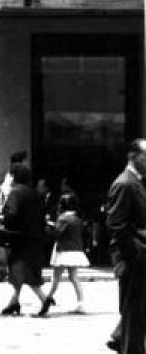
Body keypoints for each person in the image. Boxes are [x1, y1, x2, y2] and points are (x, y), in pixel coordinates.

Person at [105, 139, 146, 354]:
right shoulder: (125, 184)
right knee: (134, 313)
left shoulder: (137, 182)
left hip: (137, 256)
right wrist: (135, 254)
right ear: (133, 156)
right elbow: (116, 225)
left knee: (136, 310)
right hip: (133, 258)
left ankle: (121, 337)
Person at [0, 162, 51, 317]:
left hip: (19, 239)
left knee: (20, 271)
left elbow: (12, 215)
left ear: (14, 177)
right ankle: (13, 303)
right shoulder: (33, 193)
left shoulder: (15, 193)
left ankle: (44, 298)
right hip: (34, 239)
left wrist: (2, 218)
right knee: (23, 272)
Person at [44, 192, 89, 314]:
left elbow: (57, 233)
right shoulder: (77, 219)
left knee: (56, 278)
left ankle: (47, 299)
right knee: (74, 277)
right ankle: (81, 303)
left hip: (64, 251)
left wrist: (48, 226)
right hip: (76, 251)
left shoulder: (63, 218)